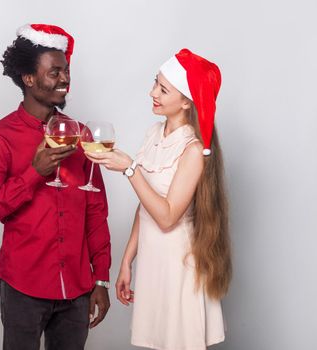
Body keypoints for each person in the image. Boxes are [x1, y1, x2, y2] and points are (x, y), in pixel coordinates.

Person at [0, 24, 112, 350]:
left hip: (77, 287)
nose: (64, 79)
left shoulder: (82, 136)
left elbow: (96, 211)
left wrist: (100, 278)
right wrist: (34, 174)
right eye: (54, 72)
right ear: (28, 78)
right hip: (23, 285)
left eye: (66, 71)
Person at [86, 49, 232, 349]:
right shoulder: (154, 134)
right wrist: (127, 262)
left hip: (179, 264)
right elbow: (147, 206)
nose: (153, 93)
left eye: (163, 89)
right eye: (156, 83)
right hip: (153, 262)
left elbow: (166, 217)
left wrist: (129, 169)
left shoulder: (193, 150)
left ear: (186, 101)